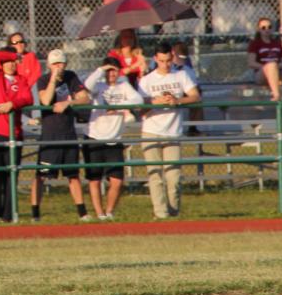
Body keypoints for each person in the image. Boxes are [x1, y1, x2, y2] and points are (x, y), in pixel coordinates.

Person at [137, 42, 201, 219]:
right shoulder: (147, 80)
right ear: (155, 59)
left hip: (173, 132)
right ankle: (160, 213)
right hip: (151, 131)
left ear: (172, 58)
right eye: (161, 61)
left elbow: (195, 96)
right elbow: (139, 108)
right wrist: (152, 103)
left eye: (168, 60)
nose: (165, 65)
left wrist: (177, 101)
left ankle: (173, 212)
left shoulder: (181, 75)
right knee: (155, 175)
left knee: (173, 177)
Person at [29, 49, 90, 222]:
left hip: (68, 132)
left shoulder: (71, 76)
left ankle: (82, 212)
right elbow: (46, 100)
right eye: (55, 64)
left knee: (72, 175)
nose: (58, 67)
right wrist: (53, 81)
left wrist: (68, 102)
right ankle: (35, 213)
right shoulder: (42, 80)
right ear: (49, 65)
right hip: (50, 134)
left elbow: (84, 97)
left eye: (61, 63)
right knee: (41, 175)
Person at [0, 45, 34, 223]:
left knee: (11, 176)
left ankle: (9, 215)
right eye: (7, 61)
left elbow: (27, 98)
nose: (11, 64)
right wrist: (14, 53)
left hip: (13, 133)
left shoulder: (22, 80)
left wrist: (13, 104)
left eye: (13, 61)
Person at [84, 57, 142, 221]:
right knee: (94, 179)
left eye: (114, 70)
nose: (112, 74)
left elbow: (137, 100)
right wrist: (101, 69)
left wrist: (119, 107)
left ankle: (109, 212)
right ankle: (99, 213)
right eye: (109, 70)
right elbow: (87, 85)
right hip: (94, 137)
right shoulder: (99, 86)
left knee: (117, 181)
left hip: (114, 139)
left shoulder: (124, 86)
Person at [247, 17, 282, 101]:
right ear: (258, 29)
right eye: (263, 28)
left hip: (277, 70)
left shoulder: (277, 43)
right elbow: (251, 63)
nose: (267, 30)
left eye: (269, 27)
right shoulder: (255, 43)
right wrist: (267, 67)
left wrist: (275, 67)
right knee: (271, 65)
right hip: (261, 74)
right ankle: (277, 96)